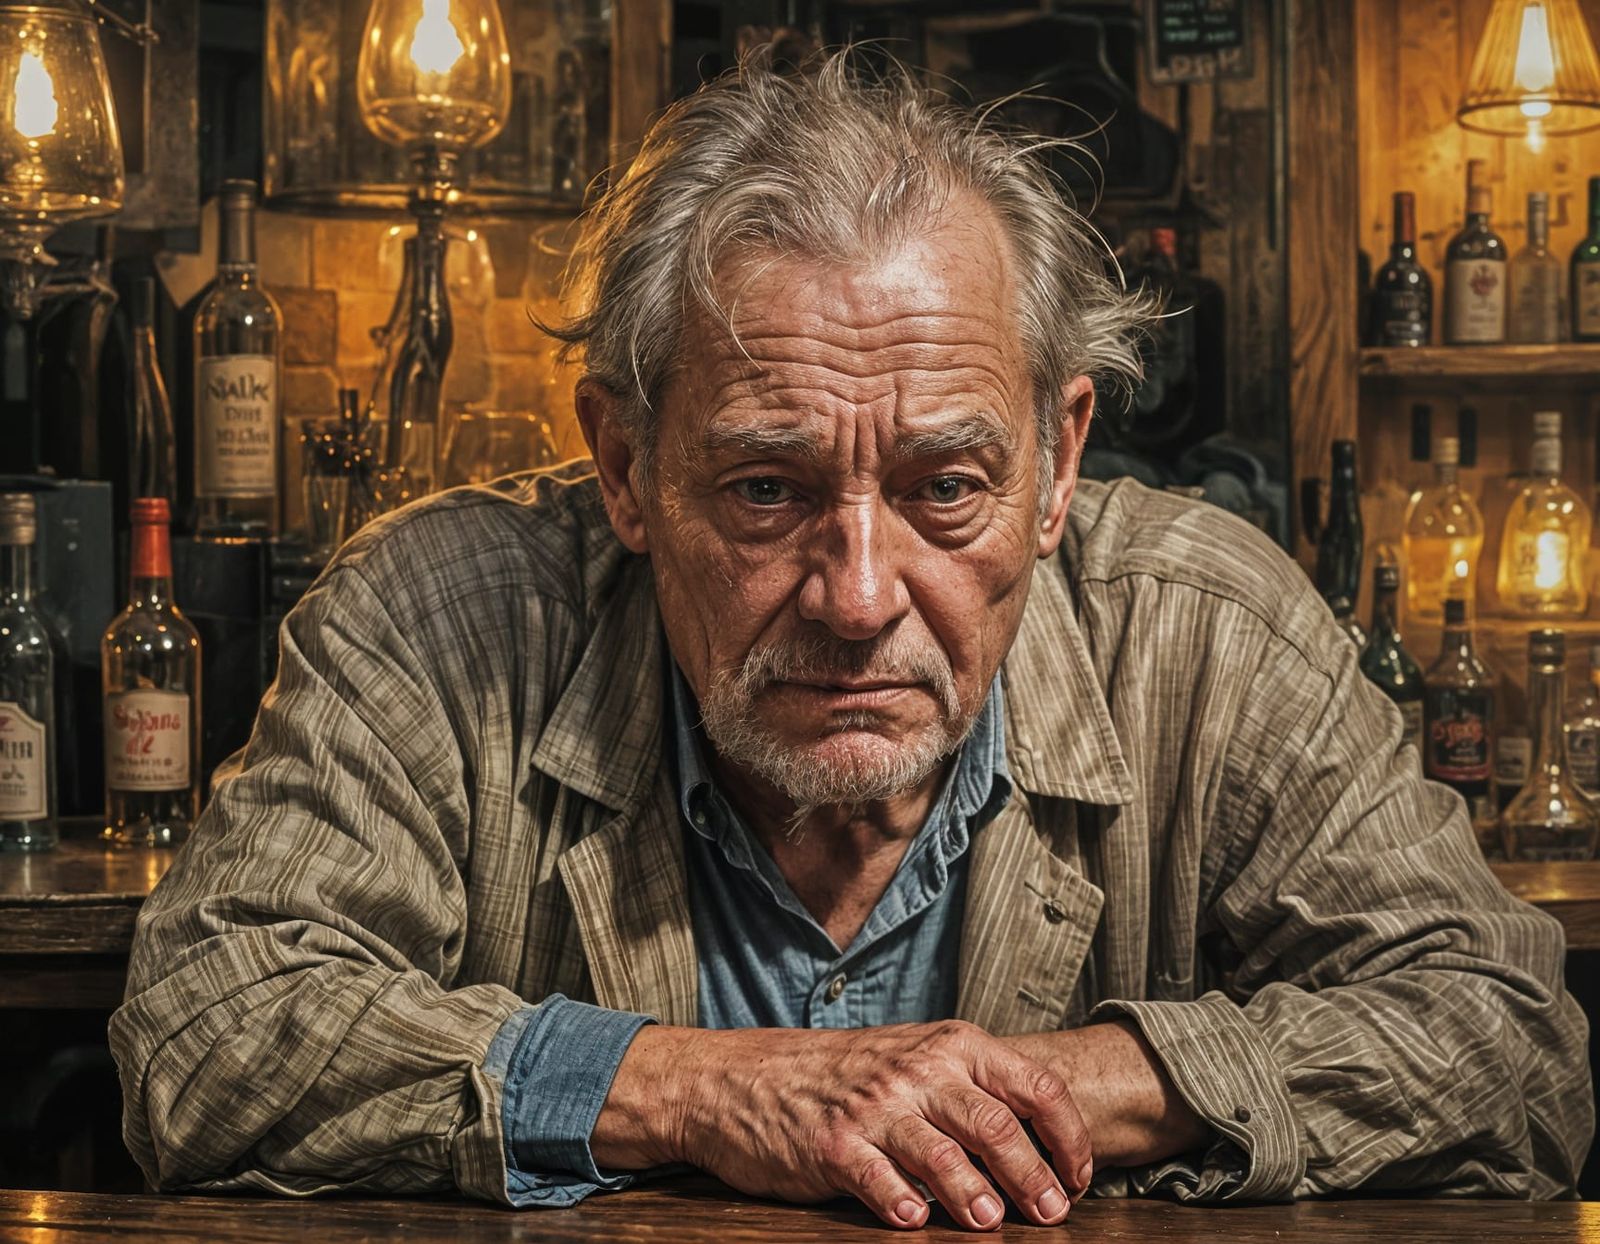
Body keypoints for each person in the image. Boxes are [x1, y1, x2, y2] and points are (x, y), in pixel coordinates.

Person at [110, 48, 1591, 1230]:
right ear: (625, 466)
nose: (859, 593)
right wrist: (702, 1090)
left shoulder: (1210, 632)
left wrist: (1066, 1087)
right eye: (768, 489)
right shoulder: (440, 618)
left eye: (947, 488)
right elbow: (209, 1026)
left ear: (1058, 462)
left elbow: (1507, 1041)